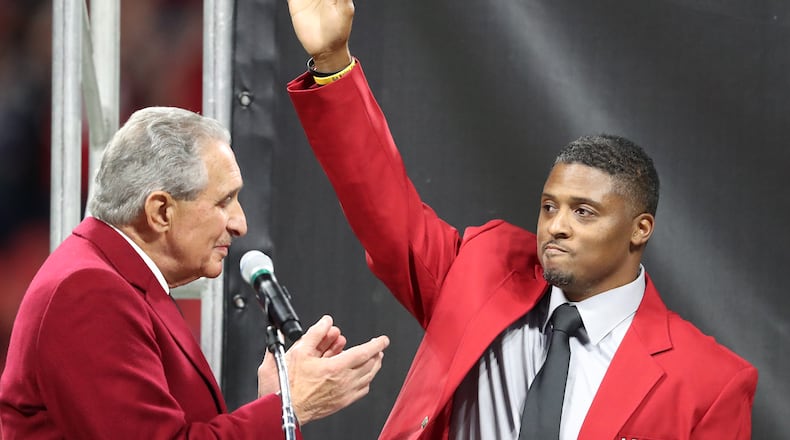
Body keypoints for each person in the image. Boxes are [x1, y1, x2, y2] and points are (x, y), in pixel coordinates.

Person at [283, 1, 758, 439]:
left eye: (584, 212)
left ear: (641, 229)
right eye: (549, 207)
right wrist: (333, 64)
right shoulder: (481, 274)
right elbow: (384, 209)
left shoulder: (711, 381)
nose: (557, 225)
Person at [0, 107, 390, 439]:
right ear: (161, 212)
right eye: (225, 201)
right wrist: (291, 405)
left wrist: (272, 401)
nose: (240, 224)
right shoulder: (88, 292)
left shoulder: (115, 279)